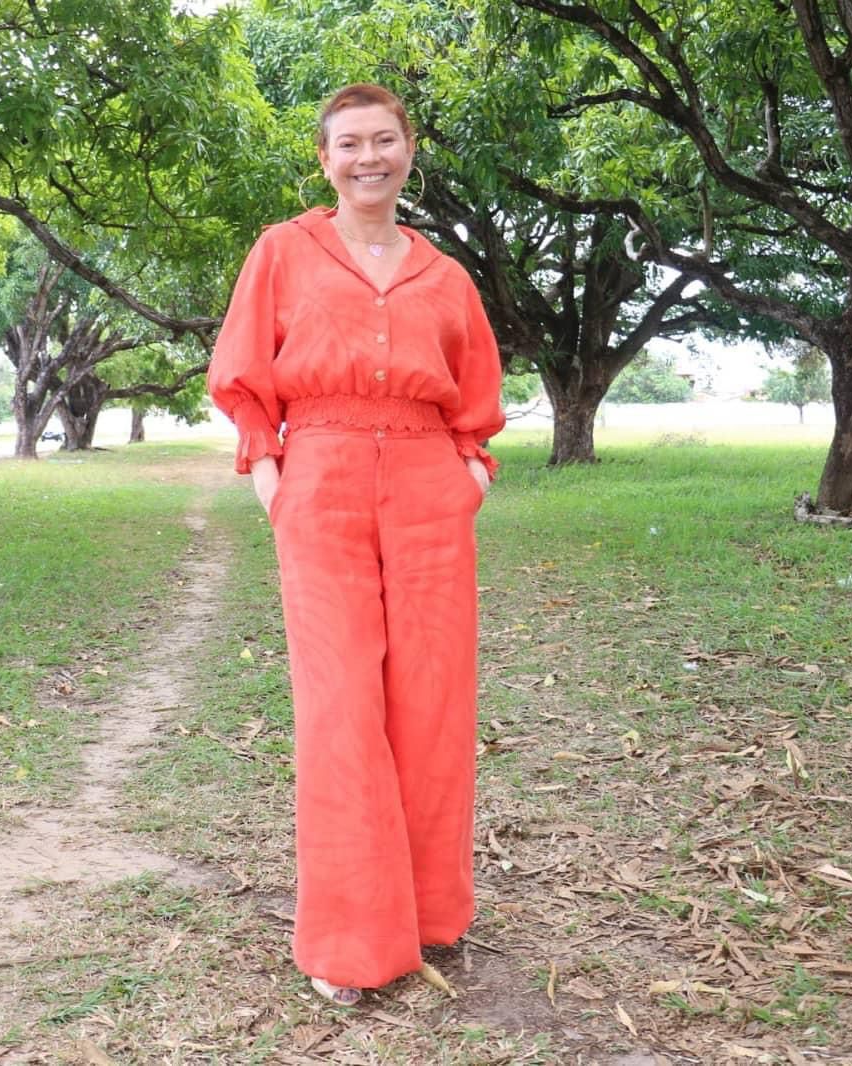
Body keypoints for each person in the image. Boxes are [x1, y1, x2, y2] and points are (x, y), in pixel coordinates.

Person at [206, 83, 505, 1006]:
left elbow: (476, 395)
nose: (368, 157)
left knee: (433, 702)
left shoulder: (446, 275)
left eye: (384, 140)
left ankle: (430, 916)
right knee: (339, 706)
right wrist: (272, 479)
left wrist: (470, 477)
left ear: (409, 150)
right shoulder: (282, 251)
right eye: (349, 143)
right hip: (322, 477)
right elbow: (243, 376)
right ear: (325, 158)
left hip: (427, 486)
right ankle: (350, 943)